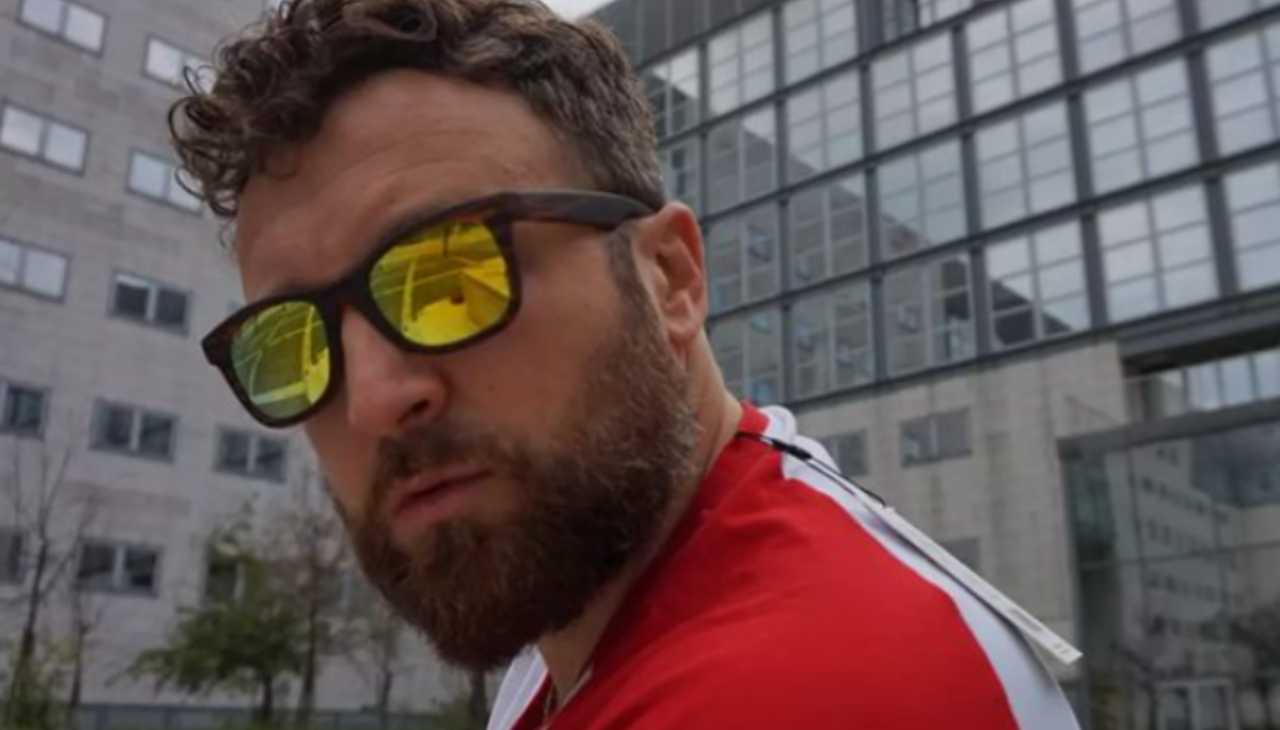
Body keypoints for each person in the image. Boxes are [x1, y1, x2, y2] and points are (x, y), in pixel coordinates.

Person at [175, 1, 1081, 727]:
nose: (372, 399)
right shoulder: (600, 621)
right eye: (292, 343)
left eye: (448, 279)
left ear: (670, 279)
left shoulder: (800, 685)